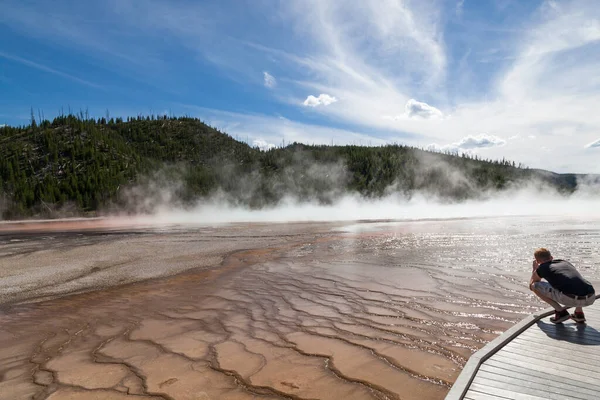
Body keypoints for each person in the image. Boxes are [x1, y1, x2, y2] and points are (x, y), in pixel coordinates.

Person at [529, 248, 595, 323]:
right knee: (576, 282)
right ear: (551, 257)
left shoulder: (542, 267)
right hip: (591, 297)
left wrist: (534, 269)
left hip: (570, 299)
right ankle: (579, 313)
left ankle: (560, 312)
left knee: (534, 286)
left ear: (537, 261)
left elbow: (532, 284)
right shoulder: (564, 262)